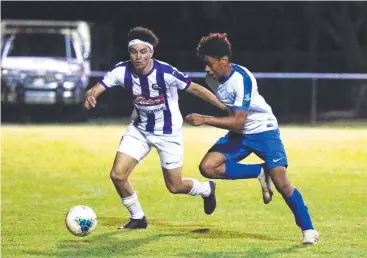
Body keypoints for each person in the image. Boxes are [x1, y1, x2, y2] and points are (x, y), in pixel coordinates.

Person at [84, 27, 229, 230]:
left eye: (143, 51)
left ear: (151, 52)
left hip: (168, 133)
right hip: (140, 130)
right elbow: (98, 88)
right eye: (134, 51)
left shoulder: (165, 72)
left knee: (175, 186)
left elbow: (196, 88)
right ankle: (138, 218)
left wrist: (223, 107)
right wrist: (91, 95)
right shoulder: (121, 71)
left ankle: (206, 189)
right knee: (117, 175)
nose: (138, 56)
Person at [185, 32, 319, 244]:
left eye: (209, 64)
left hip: (264, 131)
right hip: (240, 134)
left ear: (224, 61)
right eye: (205, 64)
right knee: (208, 167)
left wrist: (205, 119)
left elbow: (238, 120)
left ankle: (309, 230)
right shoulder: (212, 79)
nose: (206, 69)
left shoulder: (241, 79)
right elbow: (228, 109)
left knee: (282, 183)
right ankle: (259, 171)